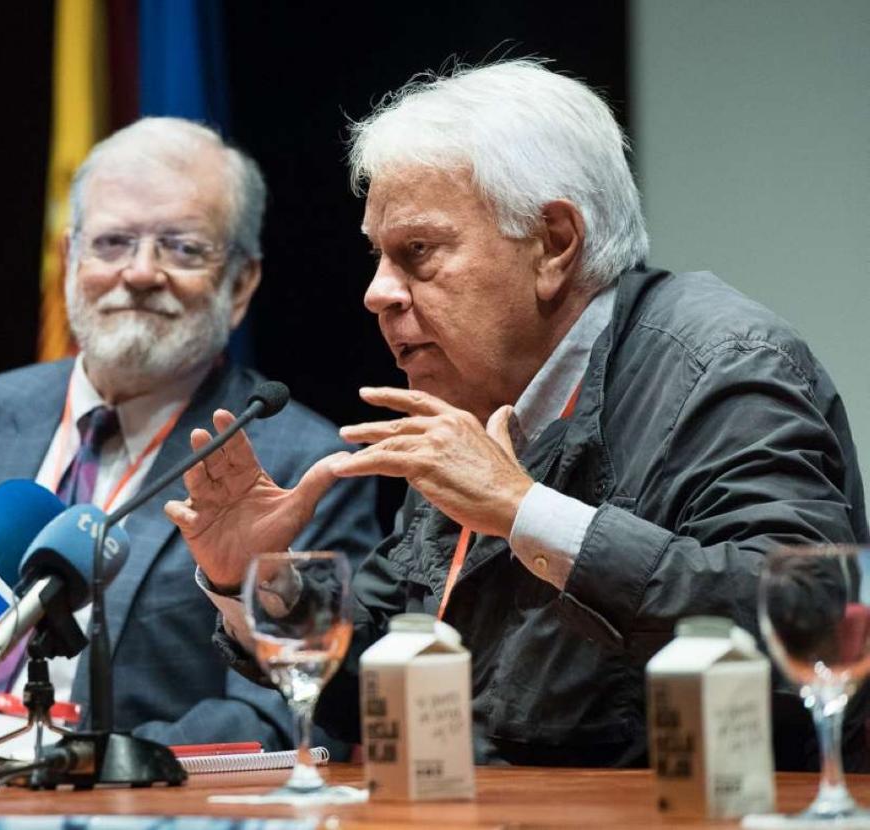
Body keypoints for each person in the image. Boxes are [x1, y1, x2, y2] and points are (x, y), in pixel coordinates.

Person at [165, 60, 868, 768]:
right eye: (378, 257)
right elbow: (378, 682)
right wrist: (259, 581)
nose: (378, 293)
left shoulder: (722, 361)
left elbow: (808, 628)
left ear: (555, 243)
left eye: (417, 253)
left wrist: (523, 509)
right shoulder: (479, 394)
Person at [0, 117, 380, 751]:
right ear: (69, 260)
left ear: (241, 284)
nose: (141, 273)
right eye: (113, 243)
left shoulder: (303, 465)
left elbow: (285, 716)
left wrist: (76, 771)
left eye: (183, 248)